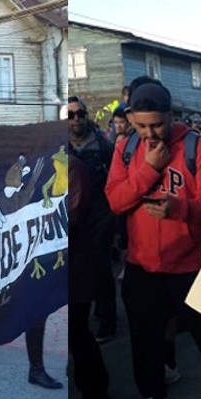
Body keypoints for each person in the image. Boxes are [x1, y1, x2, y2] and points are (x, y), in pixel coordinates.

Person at [105, 78, 201, 399]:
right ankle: (153, 398)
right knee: (144, 337)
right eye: (141, 125)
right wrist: (148, 169)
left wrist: (179, 209)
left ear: (171, 116)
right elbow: (115, 201)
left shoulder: (195, 147)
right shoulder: (126, 148)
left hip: (190, 261)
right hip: (141, 263)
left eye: (157, 124)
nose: (150, 133)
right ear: (131, 118)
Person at [68, 96, 117, 344]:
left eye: (80, 114)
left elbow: (116, 177)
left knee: (101, 270)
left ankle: (107, 322)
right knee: (77, 275)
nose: (76, 119)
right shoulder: (60, 148)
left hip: (99, 216)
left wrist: (112, 217)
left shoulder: (102, 145)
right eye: (71, 115)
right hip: (73, 219)